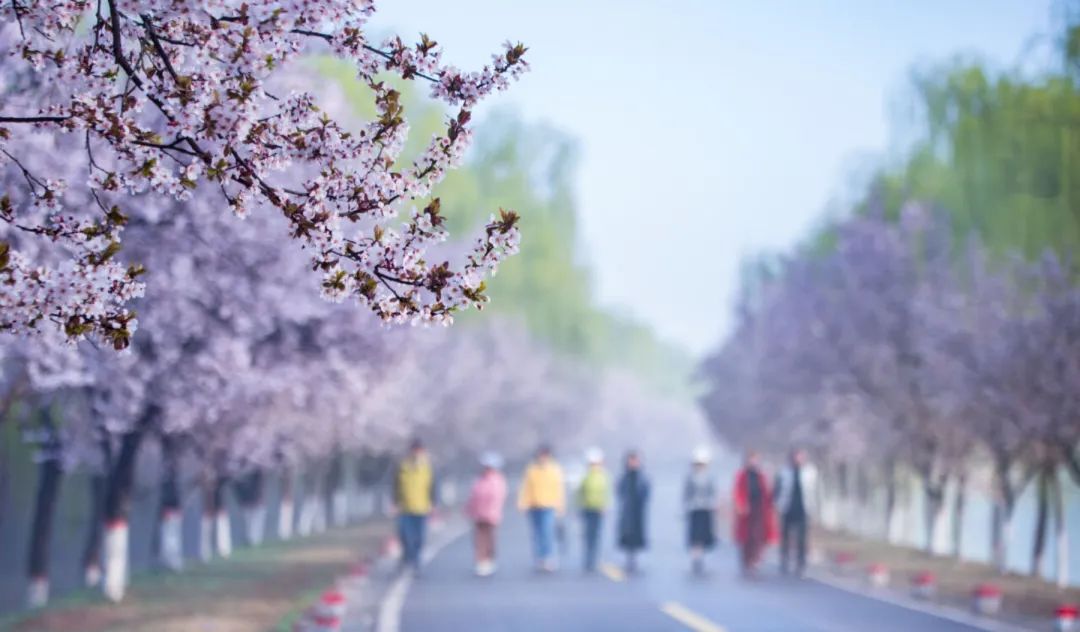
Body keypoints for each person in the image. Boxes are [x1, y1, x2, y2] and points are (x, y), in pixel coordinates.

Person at [517, 444, 566, 572]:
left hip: (548, 506)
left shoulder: (554, 469)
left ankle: (548, 557)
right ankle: (539, 558)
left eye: (545, 455)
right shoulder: (532, 469)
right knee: (537, 533)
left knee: (547, 532)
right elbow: (526, 488)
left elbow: (559, 489)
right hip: (534, 506)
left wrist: (560, 506)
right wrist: (523, 503)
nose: (542, 457)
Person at [732, 449, 778, 577]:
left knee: (759, 535)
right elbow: (738, 491)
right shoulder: (742, 475)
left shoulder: (761, 475)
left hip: (759, 508)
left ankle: (756, 559)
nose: (754, 462)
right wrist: (740, 504)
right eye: (752, 459)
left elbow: (767, 493)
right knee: (747, 536)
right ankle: (747, 559)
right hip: (747, 509)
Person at [392, 438, 435, 573]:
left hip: (421, 508)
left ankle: (416, 562)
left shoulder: (427, 467)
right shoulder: (403, 467)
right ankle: (407, 556)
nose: (417, 453)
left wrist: (433, 503)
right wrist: (395, 502)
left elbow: (433, 487)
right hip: (405, 508)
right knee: (406, 536)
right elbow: (396, 486)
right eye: (415, 450)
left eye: (419, 451)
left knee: (419, 538)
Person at [774, 447, 817, 576]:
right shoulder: (784, 472)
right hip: (787, 507)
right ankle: (784, 560)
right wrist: (777, 504)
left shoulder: (810, 472)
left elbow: (814, 491)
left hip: (803, 508)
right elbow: (777, 489)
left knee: (802, 538)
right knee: (785, 536)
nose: (798, 460)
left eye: (801, 457)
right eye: (797, 457)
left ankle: (801, 563)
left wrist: (814, 508)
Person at [465, 452, 508, 577]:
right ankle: (481, 561)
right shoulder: (479, 480)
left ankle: (489, 560)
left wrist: (493, 510)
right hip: (478, 514)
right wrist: (469, 509)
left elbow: (498, 497)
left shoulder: (497, 480)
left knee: (489, 539)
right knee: (479, 539)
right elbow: (473, 496)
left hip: (491, 514)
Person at [683, 447, 718, 575]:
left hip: (706, 509)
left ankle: (700, 555)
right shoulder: (690, 477)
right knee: (694, 535)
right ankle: (695, 557)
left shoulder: (709, 478)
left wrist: (713, 504)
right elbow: (686, 494)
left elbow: (713, 492)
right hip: (694, 509)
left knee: (703, 535)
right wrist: (686, 506)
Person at [616, 450, 650, 573]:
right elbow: (619, 490)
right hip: (627, 510)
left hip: (638, 510)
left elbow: (646, 491)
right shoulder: (625, 476)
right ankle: (629, 556)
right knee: (627, 533)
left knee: (637, 533)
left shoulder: (641, 477)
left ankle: (634, 556)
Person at [577, 447, 609, 573]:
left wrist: (605, 506)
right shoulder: (585, 476)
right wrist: (580, 506)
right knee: (587, 535)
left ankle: (593, 559)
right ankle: (588, 559)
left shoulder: (604, 476)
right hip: (587, 509)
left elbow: (606, 493)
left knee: (596, 535)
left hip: (598, 509)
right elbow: (580, 493)